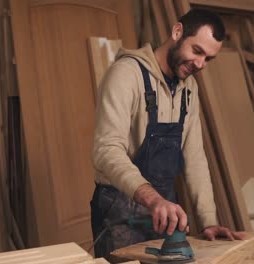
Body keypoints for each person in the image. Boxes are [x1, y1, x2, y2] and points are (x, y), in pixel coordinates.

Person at [90, 8, 244, 260]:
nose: (200, 64)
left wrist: (208, 221)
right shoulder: (126, 74)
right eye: (196, 51)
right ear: (177, 32)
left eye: (208, 59)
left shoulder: (188, 89)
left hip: (164, 213)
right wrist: (152, 199)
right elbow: (106, 150)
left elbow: (194, 157)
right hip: (119, 210)